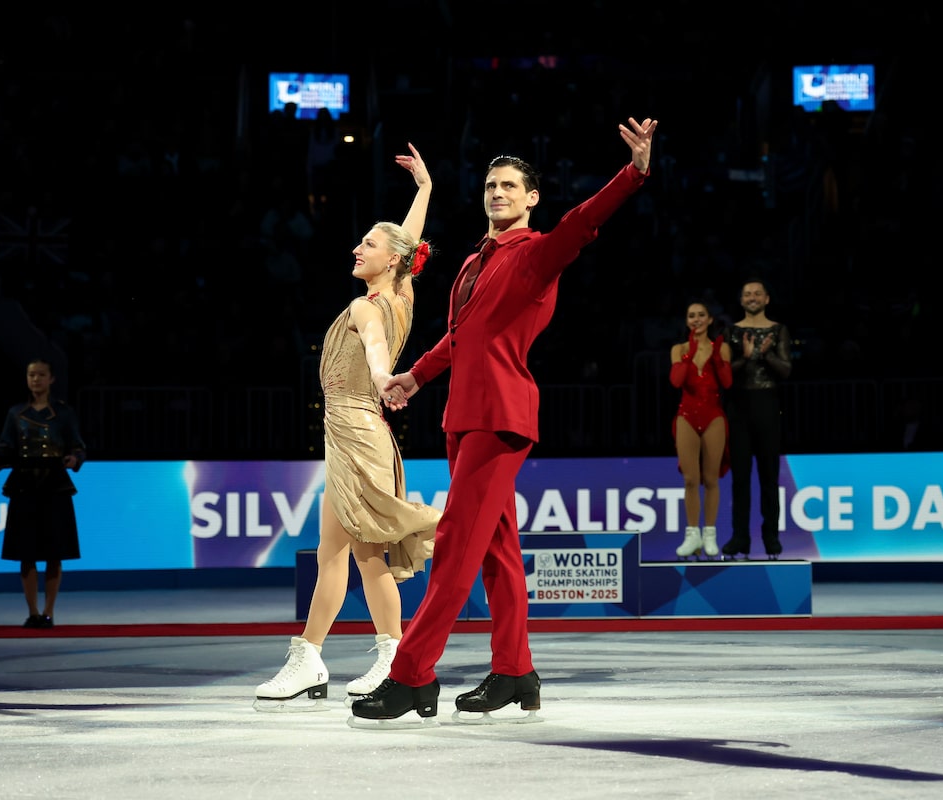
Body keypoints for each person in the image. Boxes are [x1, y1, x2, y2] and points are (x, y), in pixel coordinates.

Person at [350, 116, 658, 724]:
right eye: (492, 186)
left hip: (500, 416)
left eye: (511, 187)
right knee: (497, 550)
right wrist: (418, 375)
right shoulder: (471, 263)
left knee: (457, 545)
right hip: (462, 416)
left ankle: (412, 675)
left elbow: (583, 222)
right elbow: (462, 336)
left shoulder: (536, 254)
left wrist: (635, 172)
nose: (498, 194)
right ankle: (515, 671)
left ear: (531, 198)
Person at [254, 144, 442, 711]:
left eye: (368, 244)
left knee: (363, 553)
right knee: (334, 554)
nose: (357, 249)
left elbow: (379, 354)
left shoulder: (368, 308)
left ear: (390, 260)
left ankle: (388, 657)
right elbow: (407, 243)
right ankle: (315, 657)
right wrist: (425, 190)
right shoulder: (401, 293)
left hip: (359, 433)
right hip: (355, 435)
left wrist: (386, 377)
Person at [0, 357, 87, 629]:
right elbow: (5, 445)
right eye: (31, 375)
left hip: (55, 484)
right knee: (26, 551)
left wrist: (74, 459)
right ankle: (32, 612)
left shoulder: (64, 413)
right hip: (24, 484)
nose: (35, 379)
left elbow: (79, 447)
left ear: (51, 379)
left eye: (41, 375)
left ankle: (49, 612)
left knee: (55, 552)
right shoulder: (15, 413)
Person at [722, 277, 792, 560]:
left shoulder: (778, 330)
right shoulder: (730, 332)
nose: (752, 297)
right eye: (747, 293)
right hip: (738, 405)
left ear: (766, 299)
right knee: (740, 477)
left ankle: (771, 537)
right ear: (741, 300)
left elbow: (786, 369)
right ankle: (740, 537)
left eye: (757, 293)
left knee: (768, 476)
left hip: (767, 403)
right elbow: (725, 374)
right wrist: (748, 357)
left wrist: (766, 356)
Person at [670, 301, 732, 559]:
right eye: (691, 315)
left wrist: (716, 358)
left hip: (713, 416)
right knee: (690, 479)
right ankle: (691, 533)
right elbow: (676, 382)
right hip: (686, 415)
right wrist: (690, 352)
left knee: (710, 479)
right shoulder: (679, 349)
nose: (696, 319)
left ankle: (710, 534)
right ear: (687, 321)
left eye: (701, 315)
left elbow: (727, 383)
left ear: (709, 320)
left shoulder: (723, 348)